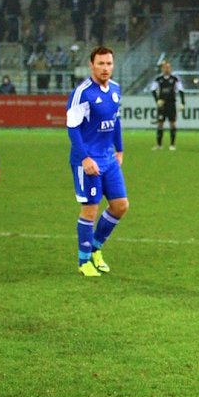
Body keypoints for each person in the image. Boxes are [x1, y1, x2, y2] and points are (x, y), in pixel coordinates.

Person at [66, 46, 127, 277]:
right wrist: (84, 158)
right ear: (92, 65)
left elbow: (116, 121)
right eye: (100, 64)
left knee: (121, 205)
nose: (105, 68)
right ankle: (84, 262)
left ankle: (95, 249)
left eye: (109, 64)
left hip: (109, 159)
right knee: (90, 210)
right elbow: (72, 128)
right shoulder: (83, 93)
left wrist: (119, 149)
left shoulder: (115, 89)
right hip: (88, 160)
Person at [150, 61, 185, 151]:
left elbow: (181, 91)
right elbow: (153, 90)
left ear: (171, 68)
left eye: (168, 67)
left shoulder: (175, 79)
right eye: (165, 67)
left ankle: (172, 144)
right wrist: (157, 100)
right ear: (162, 69)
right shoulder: (158, 79)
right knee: (160, 124)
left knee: (172, 123)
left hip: (171, 103)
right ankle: (159, 145)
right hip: (162, 105)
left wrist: (183, 103)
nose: (167, 69)